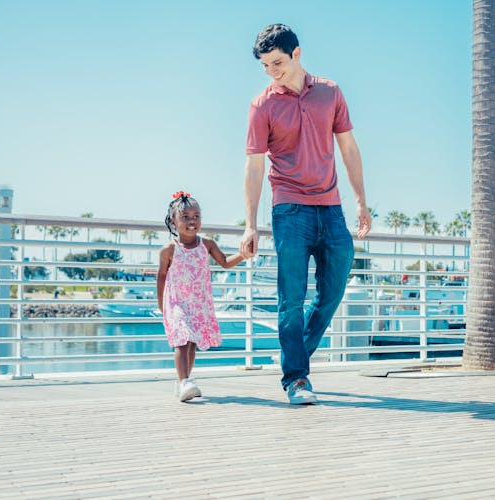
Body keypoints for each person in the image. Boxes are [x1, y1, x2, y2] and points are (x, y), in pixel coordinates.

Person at [240, 24, 372, 405]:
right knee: (291, 298)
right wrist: (251, 224)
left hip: (330, 208)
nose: (272, 71)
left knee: (333, 290)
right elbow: (253, 166)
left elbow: (348, 148)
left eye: (277, 62)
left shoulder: (330, 93)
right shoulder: (262, 104)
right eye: (265, 66)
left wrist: (361, 200)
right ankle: (296, 379)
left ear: (297, 54)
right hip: (289, 208)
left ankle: (295, 354)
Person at [157, 191, 245, 402]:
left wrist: (243, 254)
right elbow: (161, 276)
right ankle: (184, 381)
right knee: (182, 339)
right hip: (177, 302)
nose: (191, 221)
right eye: (185, 217)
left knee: (192, 342)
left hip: (198, 303)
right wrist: (162, 305)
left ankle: (184, 381)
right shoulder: (169, 249)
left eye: (196, 216)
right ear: (173, 221)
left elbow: (224, 262)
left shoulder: (207, 245)